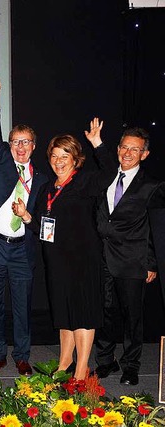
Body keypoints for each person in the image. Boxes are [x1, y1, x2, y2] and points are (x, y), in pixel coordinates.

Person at [12, 119, 116, 379]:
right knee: (64, 315)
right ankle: (63, 364)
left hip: (82, 260)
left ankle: (82, 369)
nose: (59, 161)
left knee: (82, 315)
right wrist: (25, 215)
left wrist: (97, 143)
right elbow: (40, 226)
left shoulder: (85, 181)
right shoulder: (48, 187)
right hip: (56, 262)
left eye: (65, 156)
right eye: (55, 156)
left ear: (75, 158)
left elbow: (111, 172)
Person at [0, 79, 49, 377]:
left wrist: (30, 218)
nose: (20, 147)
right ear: (10, 146)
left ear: (34, 146)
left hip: (22, 250)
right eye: (16, 142)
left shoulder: (44, 180)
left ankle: (21, 356)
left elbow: (46, 222)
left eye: (26, 142)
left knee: (22, 306)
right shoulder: (1, 162)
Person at [93, 126, 165, 386]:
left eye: (135, 149)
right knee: (104, 311)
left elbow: (155, 228)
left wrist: (151, 263)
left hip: (133, 260)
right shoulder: (106, 177)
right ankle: (105, 360)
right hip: (102, 257)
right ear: (118, 149)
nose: (128, 153)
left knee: (132, 317)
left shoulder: (153, 186)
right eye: (124, 147)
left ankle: (131, 365)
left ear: (144, 154)